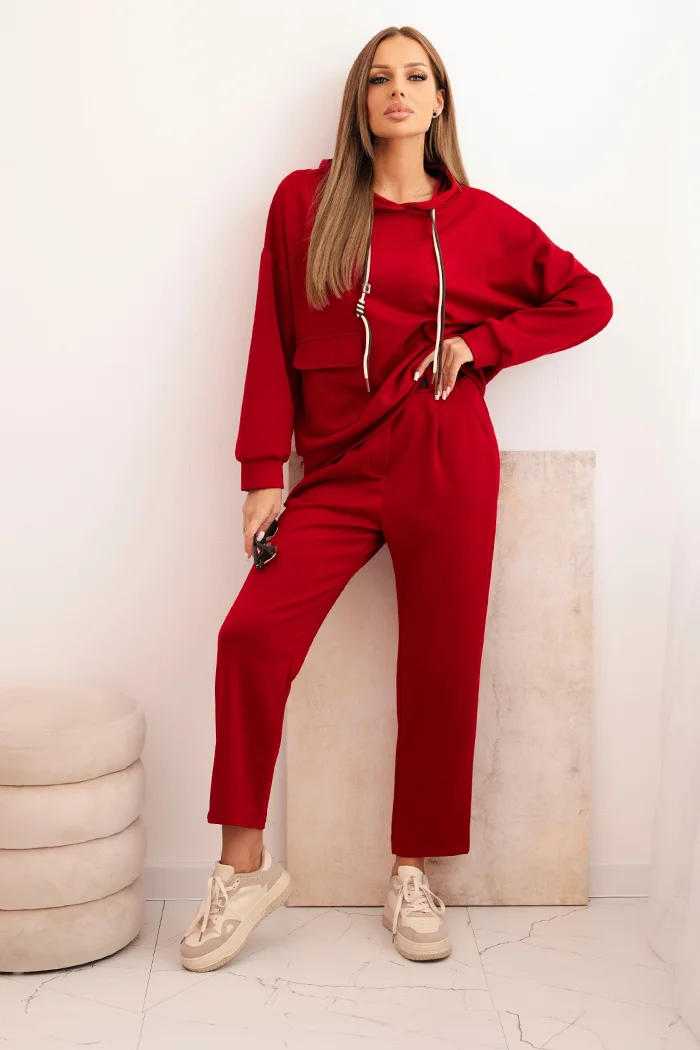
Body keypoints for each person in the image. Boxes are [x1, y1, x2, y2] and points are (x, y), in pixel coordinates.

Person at [180, 25, 613, 972]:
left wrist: (483, 345)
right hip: (336, 467)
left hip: (443, 452)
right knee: (249, 635)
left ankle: (411, 871)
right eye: (380, 78)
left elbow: (588, 299)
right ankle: (242, 868)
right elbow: (270, 335)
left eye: (416, 76)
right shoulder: (305, 204)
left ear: (440, 99)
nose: (398, 90)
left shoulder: (479, 221)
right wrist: (261, 471)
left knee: (440, 665)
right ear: (361, 100)